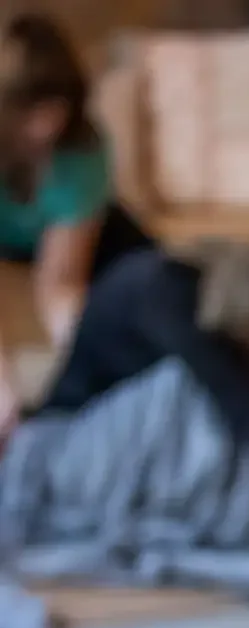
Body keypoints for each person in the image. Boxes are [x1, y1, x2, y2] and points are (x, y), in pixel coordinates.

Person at [0, 243, 249, 604]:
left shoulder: (207, 310)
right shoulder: (161, 290)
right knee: (196, 392)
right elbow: (247, 406)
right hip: (69, 446)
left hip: (135, 461)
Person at [33, 242, 249, 523]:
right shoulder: (164, 292)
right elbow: (248, 407)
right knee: (206, 398)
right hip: (75, 432)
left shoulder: (226, 302)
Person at [0, 13, 150, 436]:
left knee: (149, 281)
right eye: (33, 110)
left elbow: (60, 280)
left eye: (58, 107)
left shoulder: (82, 148)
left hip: (87, 241)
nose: (48, 124)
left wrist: (84, 365)